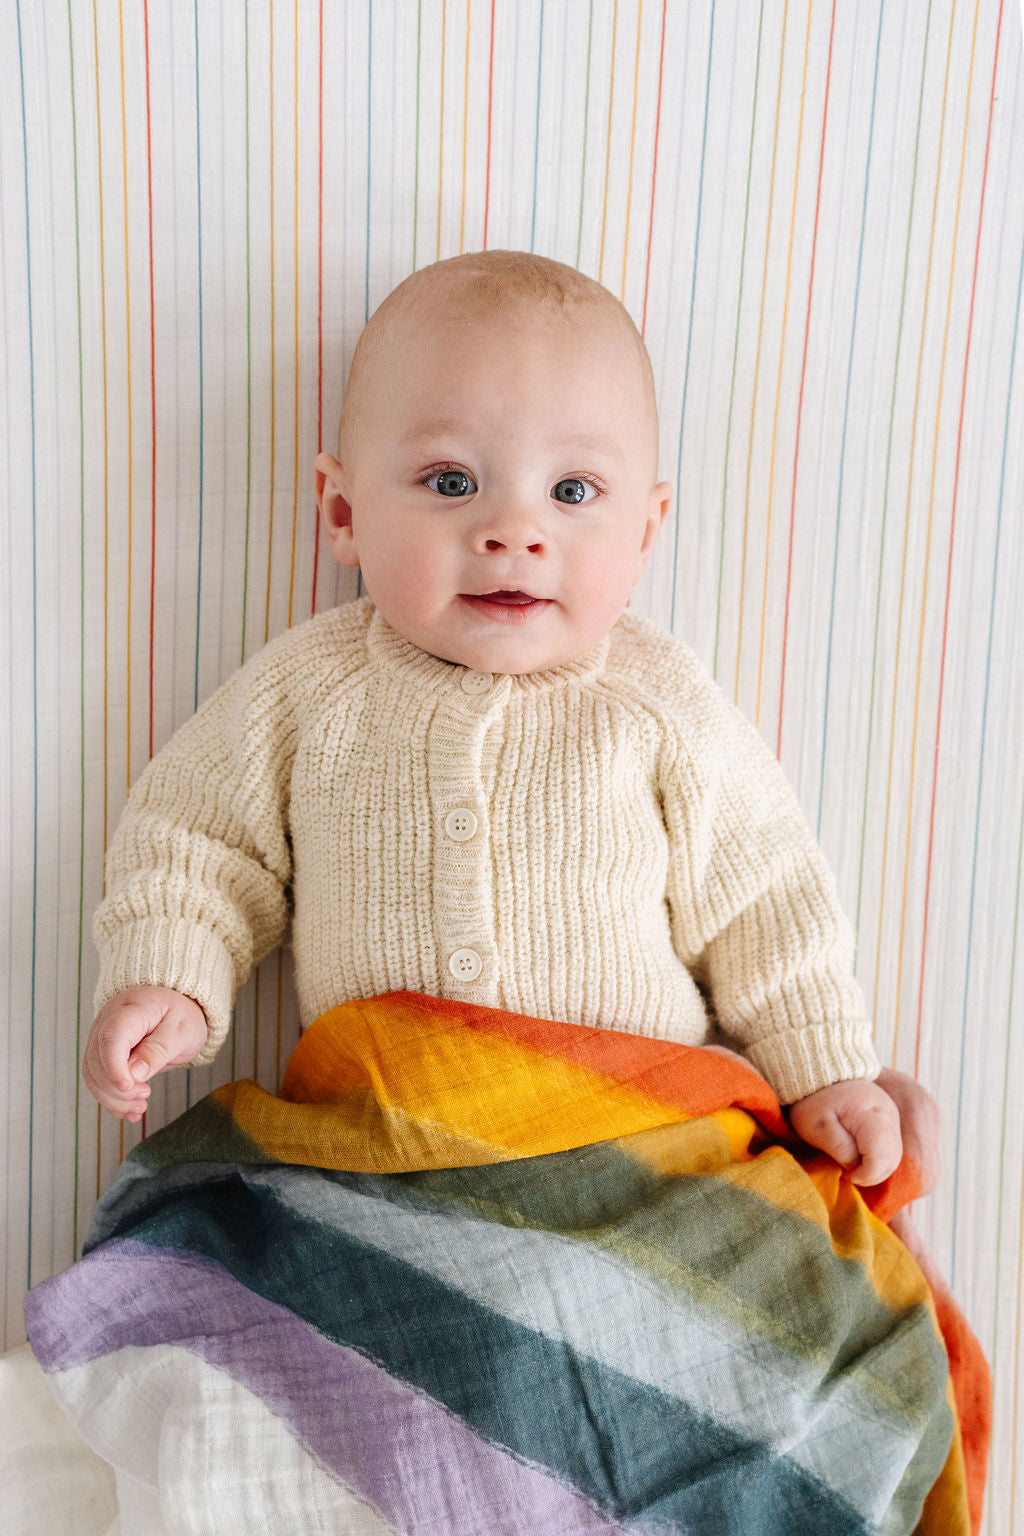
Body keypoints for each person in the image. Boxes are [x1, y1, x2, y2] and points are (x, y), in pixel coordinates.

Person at [81, 249, 938, 1191]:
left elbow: (764, 895)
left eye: (572, 493)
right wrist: (171, 978)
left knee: (787, 1264)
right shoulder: (310, 688)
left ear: (645, 532)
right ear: (343, 509)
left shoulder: (657, 700)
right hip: (383, 1144)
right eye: (451, 481)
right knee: (221, 1246)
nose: (514, 531)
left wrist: (823, 1067)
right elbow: (199, 839)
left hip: (634, 1149)